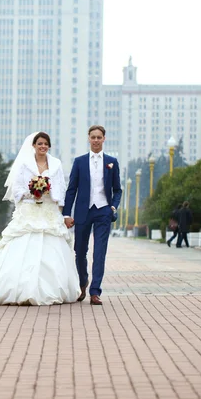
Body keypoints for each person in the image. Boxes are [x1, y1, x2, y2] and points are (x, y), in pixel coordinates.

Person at [0, 132, 81, 305]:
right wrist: (33, 193)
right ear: (33, 145)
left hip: (49, 211)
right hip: (30, 210)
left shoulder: (56, 164)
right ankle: (15, 287)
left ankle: (53, 288)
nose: (43, 146)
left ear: (49, 146)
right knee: (23, 246)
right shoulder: (24, 164)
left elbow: (61, 188)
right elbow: (17, 189)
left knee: (52, 249)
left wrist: (56, 203)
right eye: (40, 143)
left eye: (46, 144)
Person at [62, 125, 122, 305]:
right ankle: (82, 283)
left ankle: (95, 291)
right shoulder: (79, 161)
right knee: (80, 252)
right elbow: (71, 189)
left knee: (100, 252)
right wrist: (66, 214)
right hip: (83, 211)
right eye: (93, 137)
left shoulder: (112, 162)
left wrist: (113, 207)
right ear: (88, 138)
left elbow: (117, 190)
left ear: (104, 139)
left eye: (99, 137)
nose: (96, 140)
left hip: (103, 211)